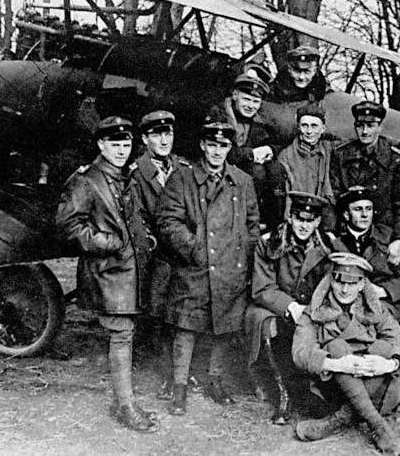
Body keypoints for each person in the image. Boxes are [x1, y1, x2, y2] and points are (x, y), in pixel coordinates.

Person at [56, 116, 159, 432]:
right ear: (101, 144)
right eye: (114, 144)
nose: (121, 149)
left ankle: (123, 400)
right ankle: (125, 406)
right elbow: (66, 225)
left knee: (126, 333)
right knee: (122, 334)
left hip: (130, 270)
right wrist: (106, 242)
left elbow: (135, 216)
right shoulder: (86, 180)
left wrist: (146, 238)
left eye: (126, 144)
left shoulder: (125, 176)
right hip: (108, 272)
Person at [156, 122, 260, 416]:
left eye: (223, 146)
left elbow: (252, 225)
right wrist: (194, 248)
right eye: (212, 145)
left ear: (230, 148)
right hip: (195, 267)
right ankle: (179, 387)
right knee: (186, 327)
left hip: (230, 268)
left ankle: (214, 379)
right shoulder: (182, 179)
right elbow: (167, 222)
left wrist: (244, 258)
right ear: (202, 145)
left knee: (223, 328)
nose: (217, 151)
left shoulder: (242, 181)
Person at [292, 252, 400, 454]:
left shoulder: (376, 309)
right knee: (336, 346)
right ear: (331, 281)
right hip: (333, 389)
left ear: (361, 285)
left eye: (352, 282)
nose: (345, 289)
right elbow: (300, 353)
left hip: (375, 385)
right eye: (340, 282)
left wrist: (389, 364)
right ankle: (379, 428)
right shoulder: (315, 311)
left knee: (383, 349)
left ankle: (337, 421)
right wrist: (337, 365)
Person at [246, 191, 332, 424]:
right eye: (299, 219)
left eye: (310, 220)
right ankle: (288, 394)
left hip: (314, 310)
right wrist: (291, 307)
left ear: (317, 222)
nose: (304, 226)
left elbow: (332, 285)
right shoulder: (269, 243)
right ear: (291, 218)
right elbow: (262, 288)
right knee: (276, 328)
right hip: (280, 307)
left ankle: (316, 389)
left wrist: (314, 309)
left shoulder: (328, 246)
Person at [332, 187, 400, 396]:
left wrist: (382, 291)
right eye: (358, 209)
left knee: (384, 324)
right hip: (347, 300)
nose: (364, 215)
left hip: (384, 302)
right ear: (346, 214)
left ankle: (397, 369)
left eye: (368, 209)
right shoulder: (336, 241)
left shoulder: (389, 239)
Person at [129, 110, 186, 398]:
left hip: (184, 251)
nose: (164, 140)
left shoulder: (183, 168)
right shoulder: (137, 174)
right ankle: (167, 374)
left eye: (168, 134)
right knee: (161, 313)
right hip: (157, 256)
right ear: (144, 138)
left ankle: (186, 373)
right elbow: (136, 218)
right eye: (156, 134)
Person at [330, 100, 400, 269]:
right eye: (360, 125)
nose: (365, 131)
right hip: (349, 234)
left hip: (384, 236)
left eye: (371, 125)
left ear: (380, 127)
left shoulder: (396, 160)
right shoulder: (340, 156)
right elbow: (334, 194)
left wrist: (399, 240)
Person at [207, 64, 285, 229]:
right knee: (256, 171)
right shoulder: (217, 115)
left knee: (275, 169)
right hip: (217, 172)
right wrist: (250, 153)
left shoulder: (261, 122)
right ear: (235, 95)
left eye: (256, 101)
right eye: (246, 99)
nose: (251, 106)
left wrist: (269, 149)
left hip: (243, 177)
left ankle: (274, 223)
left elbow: (280, 140)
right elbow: (218, 151)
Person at [277, 103, 336, 230]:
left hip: (323, 212)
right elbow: (287, 194)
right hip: (298, 214)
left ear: (323, 128)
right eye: (304, 125)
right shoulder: (286, 156)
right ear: (298, 127)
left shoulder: (329, 149)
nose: (309, 131)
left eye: (314, 126)